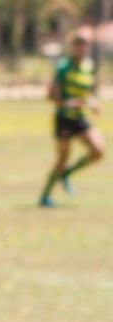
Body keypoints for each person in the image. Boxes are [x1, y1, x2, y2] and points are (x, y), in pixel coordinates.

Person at [38, 33, 104, 208]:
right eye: (78, 46)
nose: (81, 49)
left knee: (98, 151)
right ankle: (45, 197)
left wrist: (92, 102)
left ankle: (67, 174)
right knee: (62, 158)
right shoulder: (63, 68)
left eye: (84, 46)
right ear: (72, 47)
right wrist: (67, 102)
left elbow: (89, 92)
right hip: (64, 119)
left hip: (80, 118)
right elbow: (50, 95)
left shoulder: (88, 67)